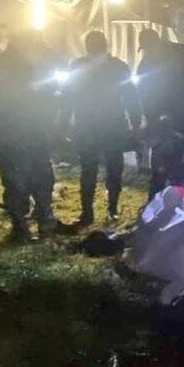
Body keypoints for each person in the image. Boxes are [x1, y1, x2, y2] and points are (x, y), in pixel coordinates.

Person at [0, 32, 62, 242]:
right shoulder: (7, 64)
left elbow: (49, 88)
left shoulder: (22, 61)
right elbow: (3, 96)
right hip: (17, 128)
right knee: (19, 179)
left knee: (36, 175)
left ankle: (39, 221)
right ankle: (25, 225)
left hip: (29, 127)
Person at [61, 31, 141, 226]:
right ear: (106, 45)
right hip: (112, 125)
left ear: (86, 46)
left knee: (89, 169)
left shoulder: (78, 65)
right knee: (113, 168)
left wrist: (63, 123)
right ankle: (111, 209)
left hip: (87, 124)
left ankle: (87, 213)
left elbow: (68, 98)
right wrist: (135, 122)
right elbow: (130, 96)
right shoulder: (118, 66)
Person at [136, 29, 184, 139]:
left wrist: (150, 118)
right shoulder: (183, 51)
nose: (146, 51)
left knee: (179, 145)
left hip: (171, 112)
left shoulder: (147, 63)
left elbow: (143, 93)